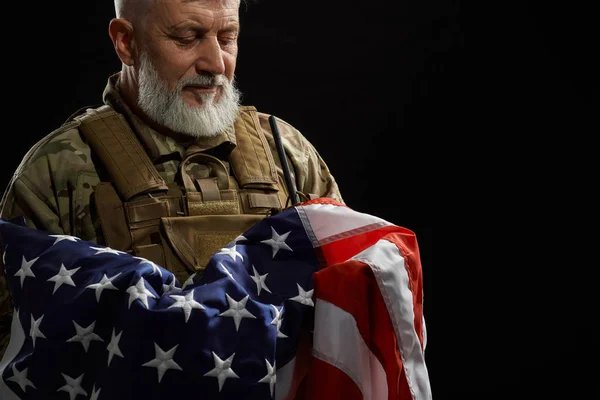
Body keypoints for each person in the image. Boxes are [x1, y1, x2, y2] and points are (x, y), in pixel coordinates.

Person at [0, 0, 343, 359]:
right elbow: (17, 354)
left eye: (227, 38)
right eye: (187, 37)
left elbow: (345, 304)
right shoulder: (58, 171)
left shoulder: (287, 153)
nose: (215, 64)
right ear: (125, 43)